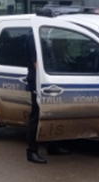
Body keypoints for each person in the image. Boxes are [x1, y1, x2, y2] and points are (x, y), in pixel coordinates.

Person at [25, 30, 71, 164]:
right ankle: (32, 151)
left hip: (49, 79)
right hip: (39, 81)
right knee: (37, 115)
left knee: (52, 113)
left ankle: (52, 145)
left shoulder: (45, 36)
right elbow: (36, 64)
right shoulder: (33, 37)